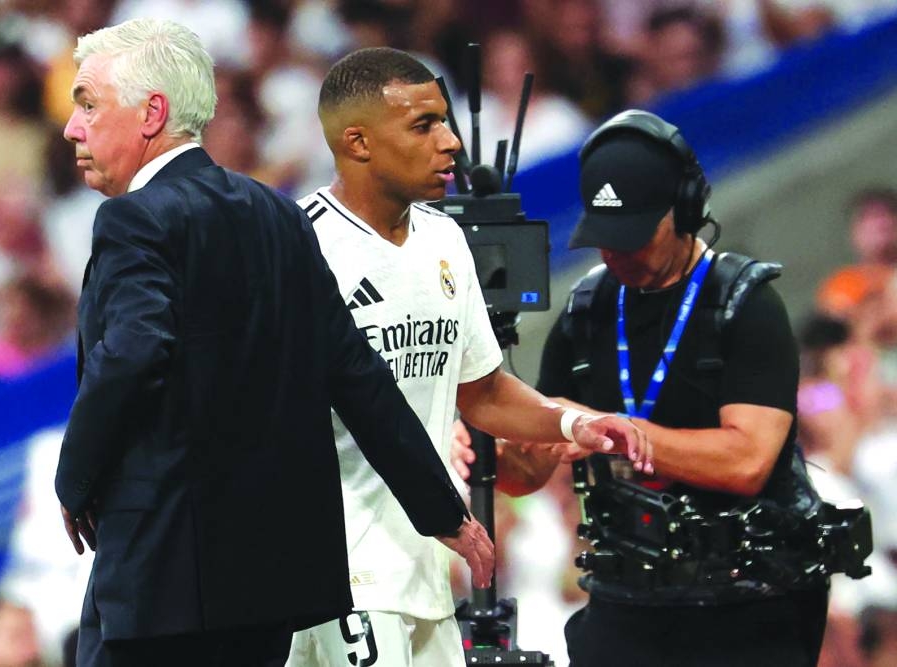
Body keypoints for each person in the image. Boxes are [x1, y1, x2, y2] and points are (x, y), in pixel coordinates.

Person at [54, 20, 495, 667]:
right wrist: (444, 511)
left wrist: (74, 480)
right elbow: (356, 374)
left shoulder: (134, 218)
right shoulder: (277, 214)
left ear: (153, 113)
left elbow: (134, 351)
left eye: (89, 102)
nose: (73, 126)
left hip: (159, 586)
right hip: (268, 593)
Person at [286, 47, 650, 667]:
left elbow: (483, 393)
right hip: (339, 575)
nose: (451, 142)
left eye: (447, 121)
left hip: (430, 569)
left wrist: (575, 423)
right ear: (358, 142)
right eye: (424, 125)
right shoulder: (298, 245)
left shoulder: (445, 238)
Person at [533, 109, 829, 666]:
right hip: (627, 597)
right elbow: (533, 460)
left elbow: (747, 460)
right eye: (604, 238)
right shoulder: (587, 309)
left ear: (686, 208)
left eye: (634, 236)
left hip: (752, 603)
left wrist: (617, 434)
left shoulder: (743, 302)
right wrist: (496, 444)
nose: (616, 254)